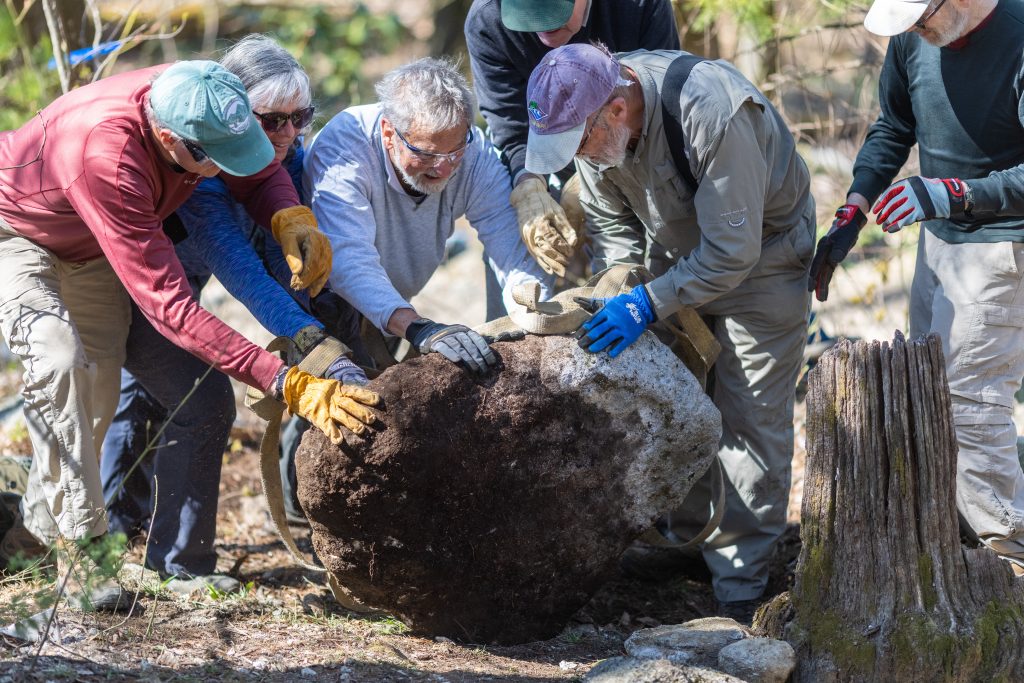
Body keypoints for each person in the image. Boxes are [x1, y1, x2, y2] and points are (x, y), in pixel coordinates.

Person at [0, 60, 379, 611]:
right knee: (62, 367)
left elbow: (251, 160)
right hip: (22, 232)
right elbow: (170, 307)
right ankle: (82, 558)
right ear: (169, 138)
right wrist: (282, 379)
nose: (222, 169)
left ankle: (27, 531)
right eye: (210, 160)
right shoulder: (110, 158)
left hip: (94, 248)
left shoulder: (204, 95)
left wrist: (286, 213)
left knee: (96, 399)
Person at [524, 43, 815, 623]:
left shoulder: (712, 111)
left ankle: (740, 579)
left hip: (762, 266)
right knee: (682, 399)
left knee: (748, 417)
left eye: (578, 142)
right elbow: (613, 225)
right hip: (672, 263)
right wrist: (619, 284)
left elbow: (733, 253)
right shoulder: (587, 121)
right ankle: (686, 539)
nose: (577, 155)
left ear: (615, 107)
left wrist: (647, 302)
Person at [97, 36, 368, 594]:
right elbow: (236, 267)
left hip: (199, 261)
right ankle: (117, 526)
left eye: (301, 117)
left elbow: (276, 260)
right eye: (272, 120)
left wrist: (306, 317)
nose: (289, 134)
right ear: (235, 115)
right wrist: (306, 343)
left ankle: (171, 550)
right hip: (154, 262)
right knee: (148, 384)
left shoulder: (286, 150)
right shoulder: (200, 158)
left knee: (187, 393)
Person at [809, 0, 1024, 576]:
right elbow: (894, 126)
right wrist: (852, 211)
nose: (915, 33)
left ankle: (1010, 554)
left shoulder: (1018, 37)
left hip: (1006, 243)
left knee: (972, 403)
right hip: (941, 240)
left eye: (921, 21)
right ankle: (955, 532)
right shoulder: (914, 37)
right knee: (929, 387)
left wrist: (953, 193)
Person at [290, 57, 550, 511]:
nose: (444, 167)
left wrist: (530, 305)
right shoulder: (346, 145)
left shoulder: (472, 152)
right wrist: (419, 328)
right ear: (389, 133)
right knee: (338, 392)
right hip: (322, 288)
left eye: (455, 151)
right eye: (427, 154)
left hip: (394, 289)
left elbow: (507, 245)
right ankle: (306, 506)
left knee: (385, 392)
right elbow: (347, 259)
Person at [465, 0, 680, 313]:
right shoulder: (488, 20)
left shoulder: (638, 5)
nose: (542, 26)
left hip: (634, 154)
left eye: (552, 11)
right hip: (540, 158)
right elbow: (510, 125)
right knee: (516, 256)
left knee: (649, 278)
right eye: (528, 14)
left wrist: (589, 181)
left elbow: (661, 96)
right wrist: (529, 187)